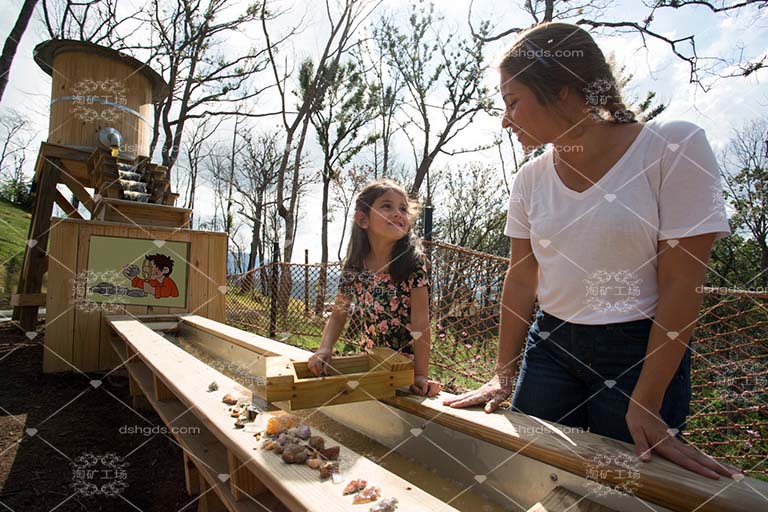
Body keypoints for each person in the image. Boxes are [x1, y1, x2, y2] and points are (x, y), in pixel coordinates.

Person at [443, 22, 743, 480]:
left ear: (563, 91)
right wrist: (503, 375)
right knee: (525, 475)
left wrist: (645, 400)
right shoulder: (530, 179)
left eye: (513, 101)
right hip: (550, 345)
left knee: (625, 487)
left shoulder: (672, 145)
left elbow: (683, 283)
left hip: (639, 353)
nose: (505, 120)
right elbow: (522, 279)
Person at [307, 179, 442, 397]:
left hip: (404, 369)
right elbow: (339, 313)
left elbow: (421, 323)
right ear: (363, 219)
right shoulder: (354, 265)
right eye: (387, 206)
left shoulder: (413, 263)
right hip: (371, 362)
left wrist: (420, 375)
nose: (398, 213)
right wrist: (325, 348)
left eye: (403, 208)